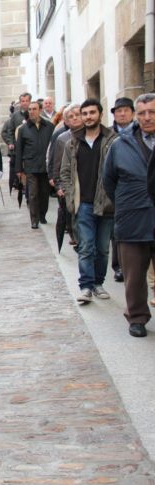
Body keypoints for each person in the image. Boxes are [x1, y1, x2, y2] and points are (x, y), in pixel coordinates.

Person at [103, 93, 155, 337]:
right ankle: (137, 317)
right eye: (142, 113)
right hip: (132, 218)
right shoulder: (121, 145)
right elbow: (109, 182)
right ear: (136, 114)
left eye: (152, 112)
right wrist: (128, 203)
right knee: (134, 276)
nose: (147, 117)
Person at [59, 99, 117, 304]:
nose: (88, 117)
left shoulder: (112, 140)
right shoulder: (72, 143)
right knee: (85, 246)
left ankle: (98, 283)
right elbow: (65, 173)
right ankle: (85, 286)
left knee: (102, 248)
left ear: (100, 114)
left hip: (107, 203)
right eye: (85, 113)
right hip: (82, 203)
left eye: (92, 112)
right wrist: (69, 196)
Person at [15, 100, 55, 229]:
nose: (31, 111)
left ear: (40, 110)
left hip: (45, 166)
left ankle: (42, 214)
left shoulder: (49, 127)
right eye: (30, 109)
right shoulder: (23, 129)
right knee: (32, 194)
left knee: (44, 193)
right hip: (30, 165)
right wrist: (19, 169)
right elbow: (19, 150)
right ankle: (34, 219)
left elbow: (53, 147)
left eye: (34, 109)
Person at [48, 104, 83, 247]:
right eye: (70, 116)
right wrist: (58, 184)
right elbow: (55, 162)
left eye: (77, 114)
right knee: (73, 217)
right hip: (71, 185)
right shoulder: (62, 138)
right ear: (65, 120)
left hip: (89, 185)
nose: (74, 118)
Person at [110, 97, 136, 281]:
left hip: (141, 191)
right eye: (119, 110)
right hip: (119, 191)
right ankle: (119, 266)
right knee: (118, 231)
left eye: (126, 110)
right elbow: (107, 175)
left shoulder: (141, 133)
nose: (122, 113)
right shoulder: (109, 136)